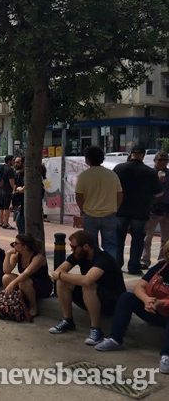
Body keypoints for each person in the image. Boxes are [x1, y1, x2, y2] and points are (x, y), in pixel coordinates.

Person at [94, 242, 169, 374]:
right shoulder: (161, 267)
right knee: (126, 298)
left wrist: (161, 303)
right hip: (154, 309)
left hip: (165, 310)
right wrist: (146, 300)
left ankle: (166, 356)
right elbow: (139, 287)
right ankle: (115, 339)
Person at [49, 230, 126, 345]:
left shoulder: (103, 258)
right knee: (63, 281)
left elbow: (87, 280)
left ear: (85, 247)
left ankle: (96, 329)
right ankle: (67, 320)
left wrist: (60, 275)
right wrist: (61, 276)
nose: (72, 250)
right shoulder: (79, 255)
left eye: (74, 247)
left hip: (112, 301)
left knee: (88, 285)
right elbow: (59, 270)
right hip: (92, 299)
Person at [113, 145, 163, 275]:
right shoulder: (149, 172)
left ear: (131, 154)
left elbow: (112, 188)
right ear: (143, 155)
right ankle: (134, 266)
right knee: (138, 240)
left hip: (120, 209)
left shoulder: (119, 168)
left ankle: (117, 264)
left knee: (118, 239)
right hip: (140, 211)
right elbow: (159, 193)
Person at [75, 146, 122, 259]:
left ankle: (94, 266)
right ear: (102, 159)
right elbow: (120, 194)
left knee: (91, 246)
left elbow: (79, 196)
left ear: (87, 160)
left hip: (90, 214)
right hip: (109, 214)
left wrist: (83, 210)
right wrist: (116, 208)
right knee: (110, 245)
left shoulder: (84, 176)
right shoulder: (112, 175)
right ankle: (110, 266)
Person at [2, 233, 52, 317]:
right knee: (6, 277)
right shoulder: (17, 255)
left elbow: (26, 273)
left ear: (24, 247)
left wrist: (13, 283)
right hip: (26, 283)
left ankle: (33, 307)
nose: (14, 245)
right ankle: (15, 302)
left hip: (41, 285)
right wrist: (8, 255)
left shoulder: (38, 258)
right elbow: (6, 270)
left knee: (23, 281)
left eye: (16, 243)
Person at [143, 151, 169, 269]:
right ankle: (145, 260)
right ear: (154, 161)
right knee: (147, 237)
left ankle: (162, 260)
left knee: (165, 238)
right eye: (160, 160)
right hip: (152, 209)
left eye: (165, 160)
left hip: (167, 209)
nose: (162, 162)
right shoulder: (149, 174)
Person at [0, 155, 16, 230]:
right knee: (7, 207)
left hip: (0, 189)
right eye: (13, 160)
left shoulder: (1, 167)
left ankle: (1, 222)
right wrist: (14, 189)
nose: (14, 162)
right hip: (7, 190)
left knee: (1, 207)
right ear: (9, 161)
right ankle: (6, 223)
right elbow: (11, 181)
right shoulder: (10, 169)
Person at [10, 156, 25, 234]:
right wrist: (11, 203)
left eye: (18, 162)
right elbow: (14, 188)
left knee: (20, 221)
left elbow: (22, 190)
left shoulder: (27, 175)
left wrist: (19, 189)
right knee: (19, 221)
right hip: (19, 202)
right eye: (15, 162)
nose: (15, 164)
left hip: (26, 202)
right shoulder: (17, 174)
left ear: (23, 163)